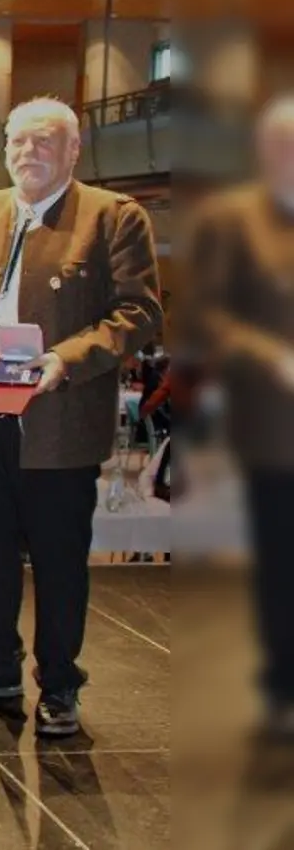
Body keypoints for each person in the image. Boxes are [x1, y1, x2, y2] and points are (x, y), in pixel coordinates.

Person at [0, 97, 160, 738]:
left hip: (58, 418)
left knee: (59, 561)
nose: (28, 152)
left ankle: (59, 684)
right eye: (18, 141)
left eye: (43, 141)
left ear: (72, 150)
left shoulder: (114, 217)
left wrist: (64, 359)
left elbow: (139, 312)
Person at [182, 94, 294, 738]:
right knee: (280, 561)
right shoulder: (234, 219)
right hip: (276, 427)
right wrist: (271, 354)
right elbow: (207, 315)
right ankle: (282, 687)